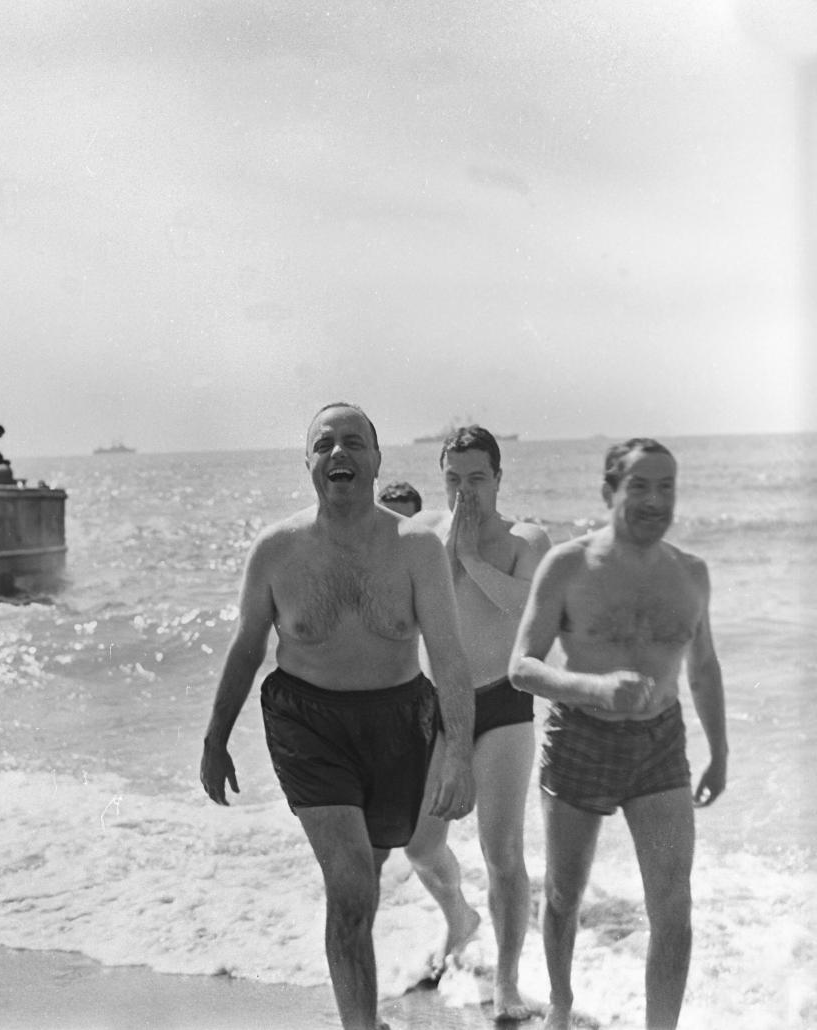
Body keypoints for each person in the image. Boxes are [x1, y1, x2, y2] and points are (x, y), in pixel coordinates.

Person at [200, 402, 476, 1030]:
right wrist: (216, 738)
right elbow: (246, 649)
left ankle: (363, 1003)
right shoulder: (276, 550)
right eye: (324, 445)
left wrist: (458, 750)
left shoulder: (417, 548)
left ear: (377, 461)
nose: (339, 454)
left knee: (371, 872)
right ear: (308, 463)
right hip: (308, 722)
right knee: (351, 883)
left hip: (400, 720)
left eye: (354, 443)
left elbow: (451, 657)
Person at [509, 438, 728, 1030]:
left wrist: (721, 753)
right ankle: (560, 1006)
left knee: (674, 909)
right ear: (610, 492)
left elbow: (703, 668)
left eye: (667, 487)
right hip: (581, 737)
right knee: (563, 895)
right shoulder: (568, 566)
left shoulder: (691, 573)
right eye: (640, 486)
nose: (656, 500)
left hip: (660, 745)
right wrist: (595, 689)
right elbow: (521, 667)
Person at [403, 425, 551, 1019]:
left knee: (502, 852)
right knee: (417, 844)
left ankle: (509, 982)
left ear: (498, 478)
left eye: (477, 479)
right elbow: (407, 604)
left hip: (503, 704)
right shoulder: (421, 536)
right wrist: (447, 548)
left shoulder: (525, 537)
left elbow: (530, 607)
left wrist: (469, 556)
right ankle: (459, 919)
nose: (465, 493)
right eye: (453, 480)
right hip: (438, 704)